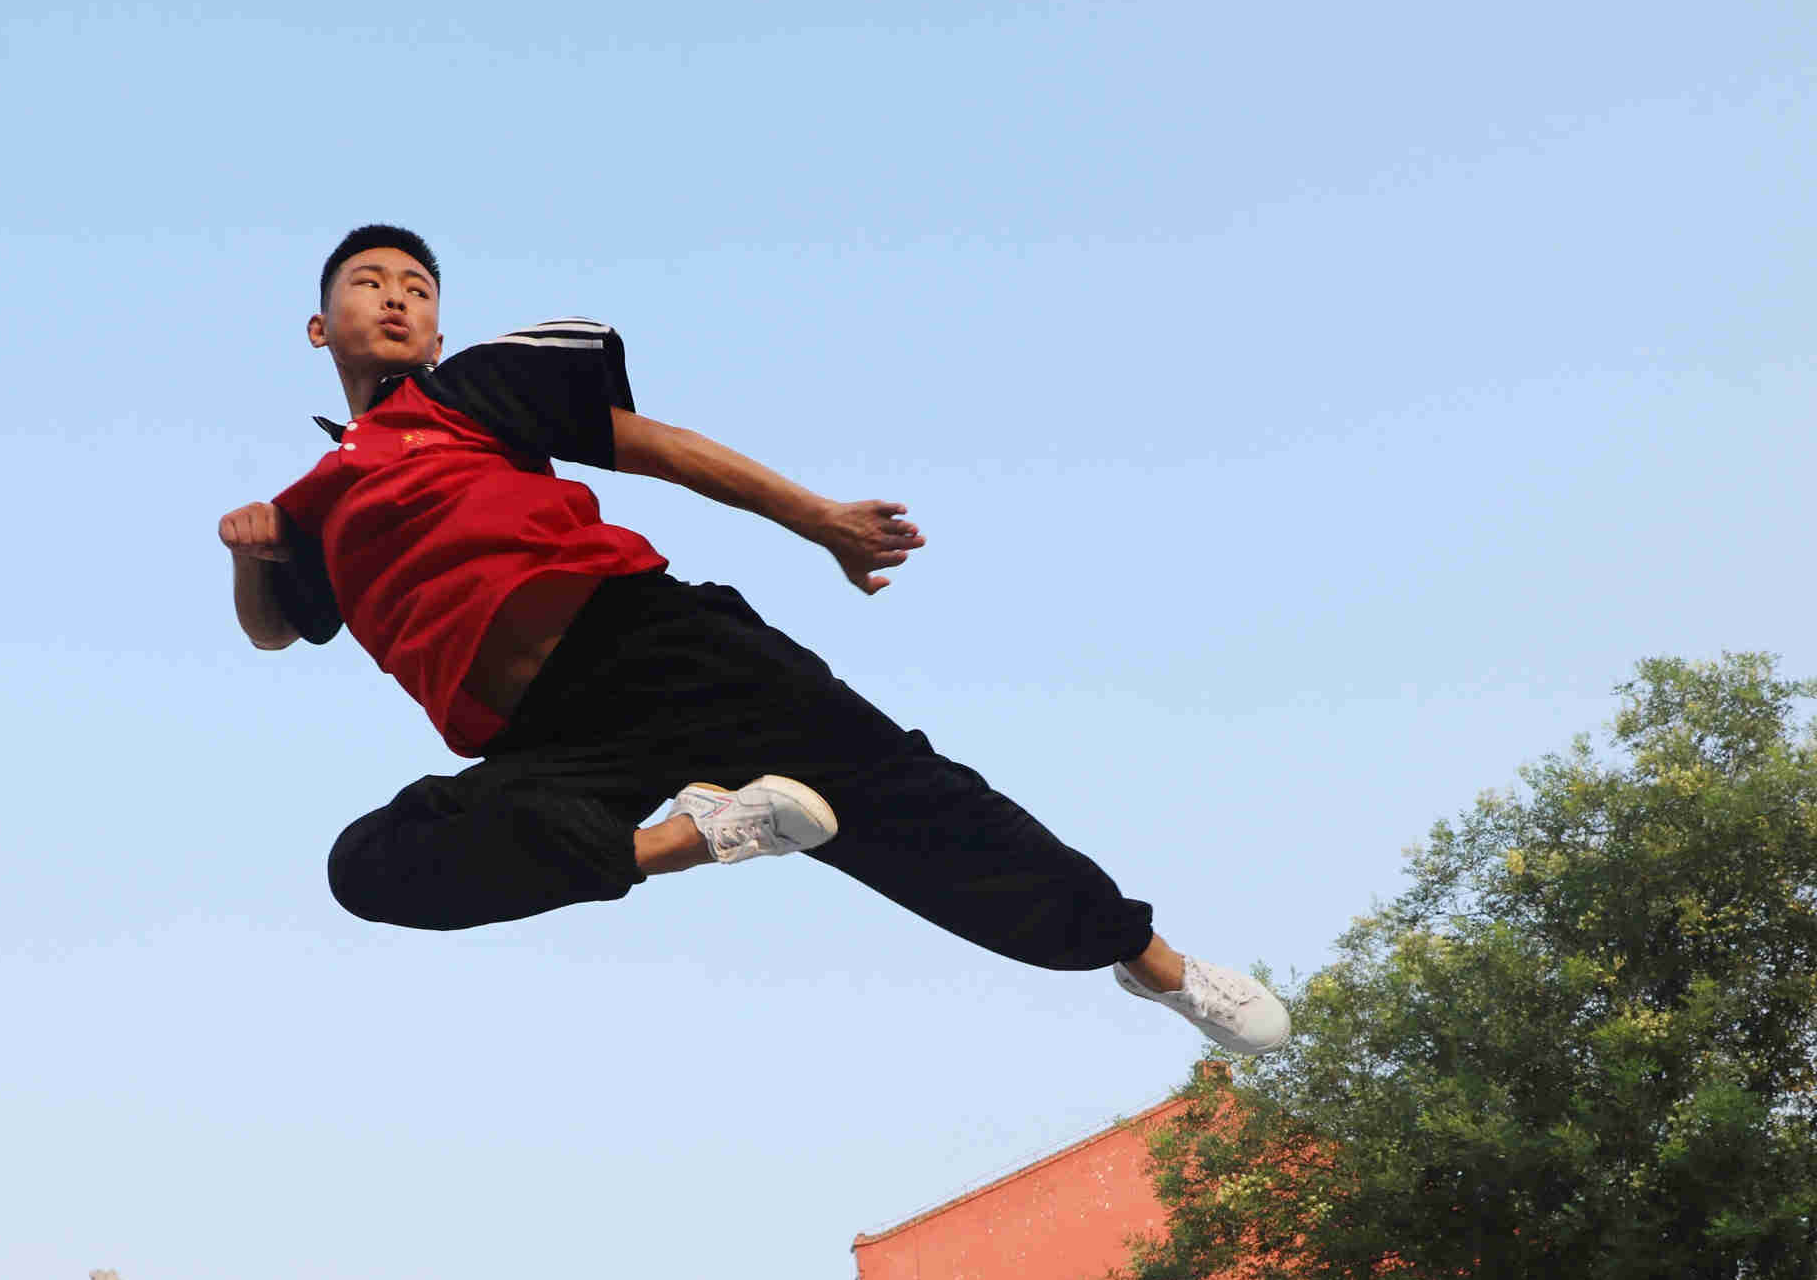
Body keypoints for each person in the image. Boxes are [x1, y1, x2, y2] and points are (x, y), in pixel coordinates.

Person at [217, 226, 1292, 1060]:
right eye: (368, 281)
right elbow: (277, 632)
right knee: (370, 864)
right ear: (320, 328)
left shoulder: (471, 390)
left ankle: (1154, 962)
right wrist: (251, 553)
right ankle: (695, 836)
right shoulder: (309, 504)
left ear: (440, 327)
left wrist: (817, 516)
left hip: (660, 647)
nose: (396, 294)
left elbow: (661, 450)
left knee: (922, 801)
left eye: (417, 284)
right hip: (553, 745)